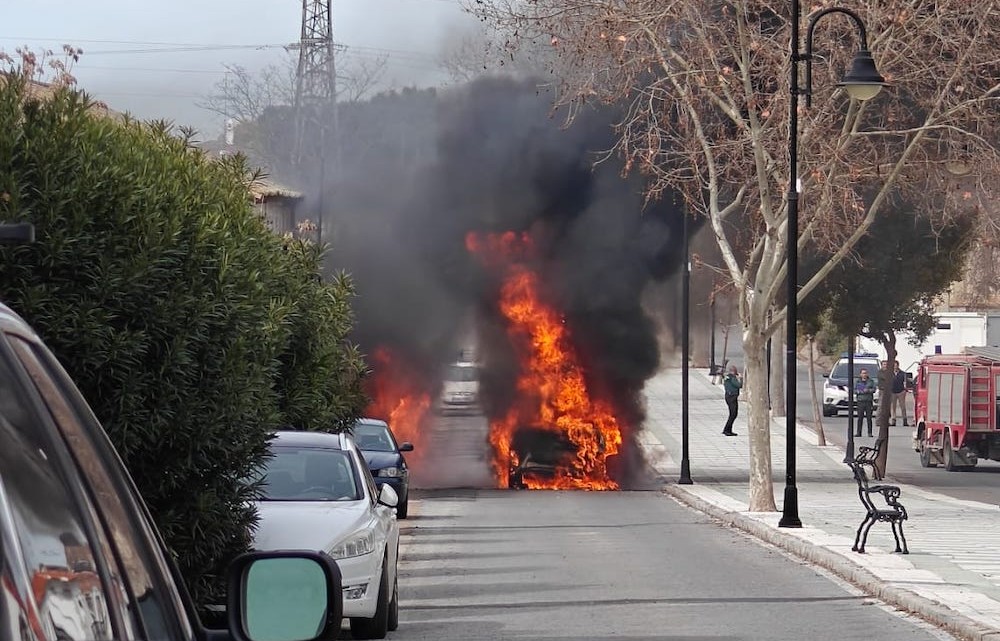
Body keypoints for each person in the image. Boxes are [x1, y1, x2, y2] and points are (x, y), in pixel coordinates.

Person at [855, 368, 876, 437]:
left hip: (868, 401)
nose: (864, 374)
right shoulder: (857, 381)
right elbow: (854, 389)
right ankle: (859, 432)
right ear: (860, 374)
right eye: (863, 373)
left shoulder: (871, 381)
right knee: (860, 418)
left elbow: (874, 389)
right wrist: (859, 391)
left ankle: (869, 432)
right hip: (860, 401)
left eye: (865, 373)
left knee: (869, 418)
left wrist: (868, 390)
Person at [722, 365, 742, 436]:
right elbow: (739, 385)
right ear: (733, 371)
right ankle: (727, 429)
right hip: (732, 397)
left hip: (728, 396)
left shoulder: (727, 377)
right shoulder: (732, 378)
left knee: (732, 414)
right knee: (733, 414)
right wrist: (740, 378)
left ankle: (728, 429)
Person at [890, 360, 908, 426]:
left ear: (898, 365)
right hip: (892, 392)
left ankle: (905, 420)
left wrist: (905, 390)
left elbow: (905, 382)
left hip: (901, 391)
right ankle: (893, 420)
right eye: (893, 365)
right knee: (893, 407)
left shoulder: (903, 373)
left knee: (903, 406)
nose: (895, 367)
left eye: (896, 365)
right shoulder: (890, 373)